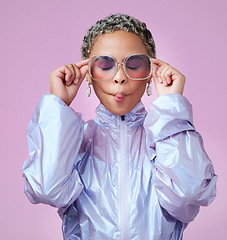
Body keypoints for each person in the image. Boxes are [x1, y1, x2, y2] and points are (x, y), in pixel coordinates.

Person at [22, 13, 217, 240]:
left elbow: (191, 192)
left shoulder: (167, 139)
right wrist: (59, 105)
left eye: (134, 64)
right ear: (89, 75)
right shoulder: (78, 141)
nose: (120, 77)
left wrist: (171, 107)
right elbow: (46, 189)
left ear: (150, 74)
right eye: (105, 65)